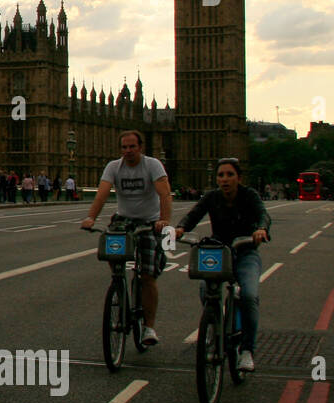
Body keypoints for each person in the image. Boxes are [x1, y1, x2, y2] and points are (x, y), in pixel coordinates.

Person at [175, 157, 272, 372]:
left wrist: (260, 229)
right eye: (221, 175)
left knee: (248, 296)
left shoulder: (250, 196)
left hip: (245, 251)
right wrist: (181, 228)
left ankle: (247, 350)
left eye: (230, 175)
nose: (225, 179)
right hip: (219, 253)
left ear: (239, 177)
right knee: (206, 291)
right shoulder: (212, 197)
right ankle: (215, 325)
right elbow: (193, 215)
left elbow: (263, 215)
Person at [80, 130, 173, 346]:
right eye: (124, 147)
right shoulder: (114, 167)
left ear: (140, 147)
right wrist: (91, 217)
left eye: (132, 147)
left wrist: (164, 219)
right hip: (124, 220)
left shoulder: (153, 165)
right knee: (112, 256)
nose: (128, 151)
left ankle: (149, 327)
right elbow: (102, 193)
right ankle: (119, 287)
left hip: (149, 221)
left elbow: (165, 193)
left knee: (148, 275)